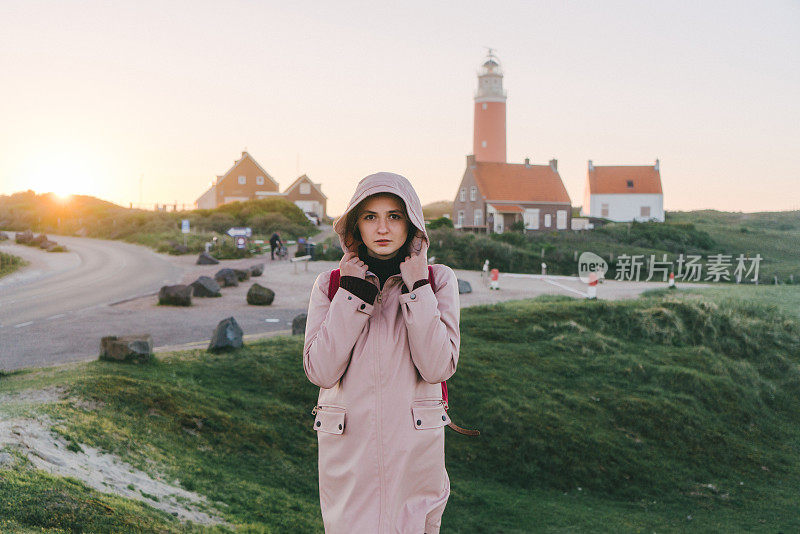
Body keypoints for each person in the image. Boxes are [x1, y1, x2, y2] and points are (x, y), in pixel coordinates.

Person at [303, 172, 460, 534]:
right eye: (370, 216)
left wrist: (417, 286)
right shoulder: (329, 285)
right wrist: (352, 293)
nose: (383, 228)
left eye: (395, 216)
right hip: (348, 453)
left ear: (412, 224)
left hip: (414, 453)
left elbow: (437, 367)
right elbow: (322, 372)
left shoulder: (438, 281)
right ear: (356, 225)